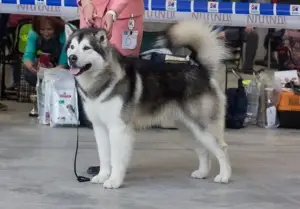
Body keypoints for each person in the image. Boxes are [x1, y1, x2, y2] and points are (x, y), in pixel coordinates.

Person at [77, 0, 144, 175]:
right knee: (96, 108)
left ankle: (118, 165)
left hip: (123, 17)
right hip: (89, 15)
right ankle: (106, 165)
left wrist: (112, 12)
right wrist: (85, 3)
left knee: (119, 98)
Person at [77, 0, 144, 56]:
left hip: (125, 16)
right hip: (89, 13)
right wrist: (85, 3)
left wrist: (113, 12)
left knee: (123, 66)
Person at [22, 16, 68, 87]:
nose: (46, 33)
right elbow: (28, 56)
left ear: (56, 27)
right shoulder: (33, 33)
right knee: (28, 73)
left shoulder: (66, 33)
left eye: (49, 29)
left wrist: (50, 72)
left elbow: (64, 62)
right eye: (42, 29)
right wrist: (33, 69)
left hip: (67, 64)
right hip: (51, 63)